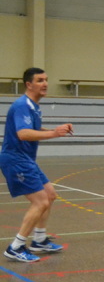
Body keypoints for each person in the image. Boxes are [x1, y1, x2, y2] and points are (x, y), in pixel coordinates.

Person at [0, 68, 73, 263]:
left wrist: (54, 130)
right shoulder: (22, 105)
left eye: (46, 80)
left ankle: (39, 240)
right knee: (40, 201)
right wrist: (54, 134)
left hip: (26, 159)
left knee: (50, 195)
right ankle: (16, 247)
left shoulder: (33, 106)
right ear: (28, 84)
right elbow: (23, 133)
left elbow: (32, 128)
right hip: (16, 159)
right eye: (40, 80)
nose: (45, 84)